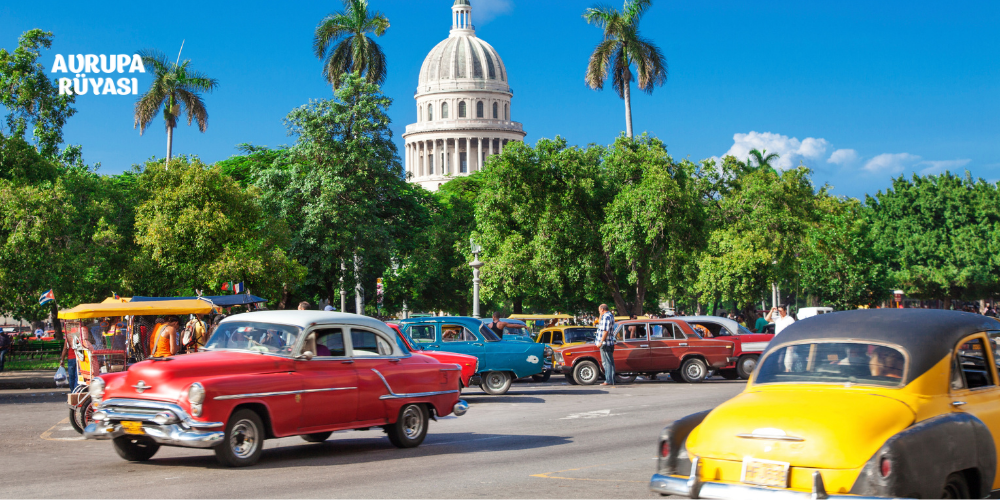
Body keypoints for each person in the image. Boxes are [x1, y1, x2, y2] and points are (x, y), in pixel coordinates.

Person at [595, 304, 617, 386]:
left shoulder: (606, 317)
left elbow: (605, 330)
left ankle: (609, 380)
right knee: (610, 362)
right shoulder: (610, 316)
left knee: (606, 362)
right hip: (609, 342)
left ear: (602, 309)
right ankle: (611, 379)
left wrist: (601, 341)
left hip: (605, 343)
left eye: (599, 310)